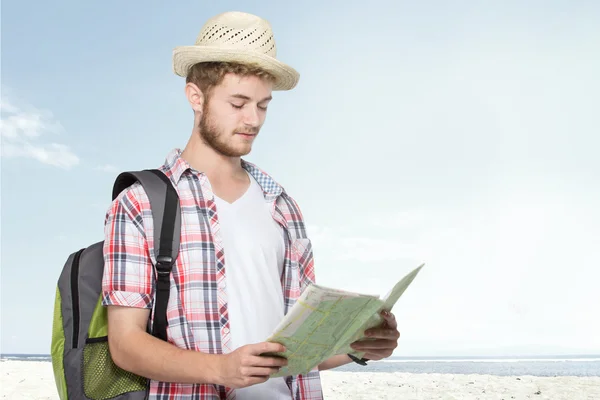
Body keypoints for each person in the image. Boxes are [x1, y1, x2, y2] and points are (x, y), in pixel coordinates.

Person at [101, 10, 401, 400]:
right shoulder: (141, 203)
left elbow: (298, 350)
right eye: (238, 102)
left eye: (262, 105)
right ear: (196, 96)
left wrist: (357, 347)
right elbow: (125, 345)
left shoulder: (282, 206)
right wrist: (220, 369)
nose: (253, 119)